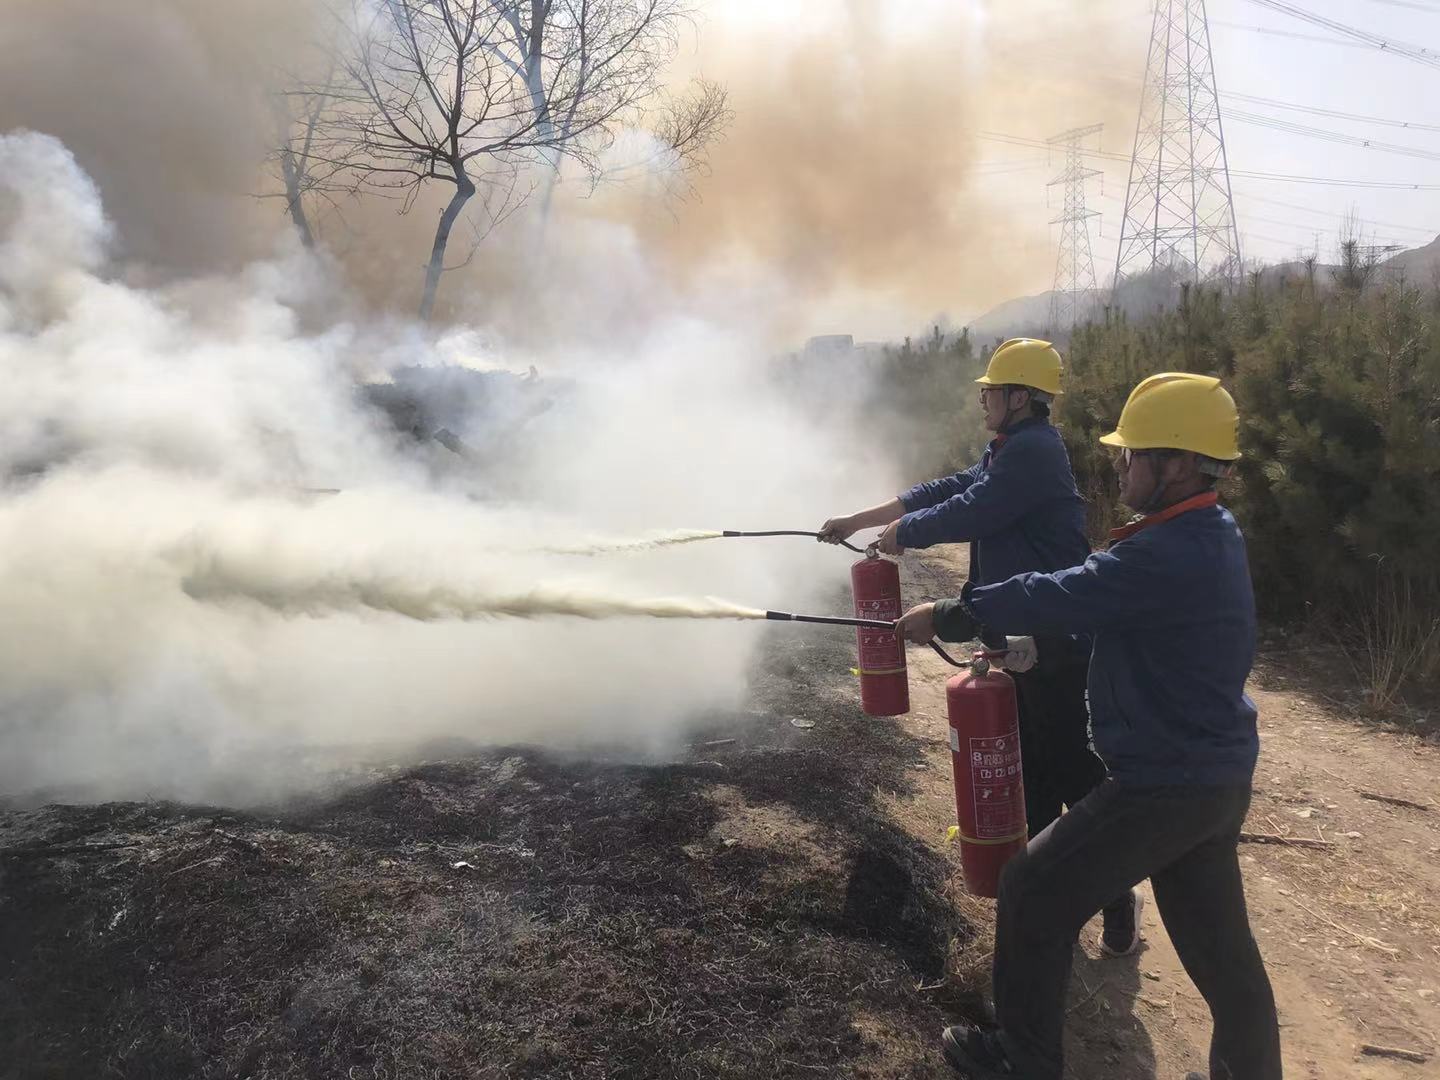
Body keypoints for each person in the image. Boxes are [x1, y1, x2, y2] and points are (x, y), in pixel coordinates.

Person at [896, 373, 1281, 1080]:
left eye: (1130, 454)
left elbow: (1069, 589)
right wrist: (1019, 639)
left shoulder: (1170, 550)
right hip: (1210, 778)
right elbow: (1102, 609)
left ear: (1175, 464)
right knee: (1224, 960)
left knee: (1031, 888)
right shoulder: (1203, 533)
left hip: (1166, 782)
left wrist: (955, 613)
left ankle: (1023, 1060)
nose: (1119, 465)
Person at [819, 337, 1141, 956]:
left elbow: (974, 508)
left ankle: (1115, 893)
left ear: (1019, 397)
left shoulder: (1034, 454)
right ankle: (1054, 904)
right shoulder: (1011, 449)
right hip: (1015, 633)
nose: (983, 401)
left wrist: (903, 534)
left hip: (1052, 639)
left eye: (990, 391)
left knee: (1073, 770)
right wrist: (865, 519)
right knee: (1034, 779)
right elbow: (953, 487)